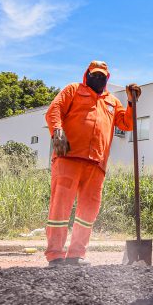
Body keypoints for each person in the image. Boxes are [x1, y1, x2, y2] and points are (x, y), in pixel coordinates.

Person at [44, 60, 141, 266]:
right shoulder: (73, 90)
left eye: (101, 76)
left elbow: (127, 123)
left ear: (107, 79)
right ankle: (55, 255)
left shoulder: (112, 102)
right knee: (60, 207)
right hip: (68, 158)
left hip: (96, 164)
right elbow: (54, 110)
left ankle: (76, 255)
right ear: (86, 75)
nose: (97, 78)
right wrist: (57, 131)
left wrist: (132, 102)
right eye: (94, 74)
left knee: (88, 211)